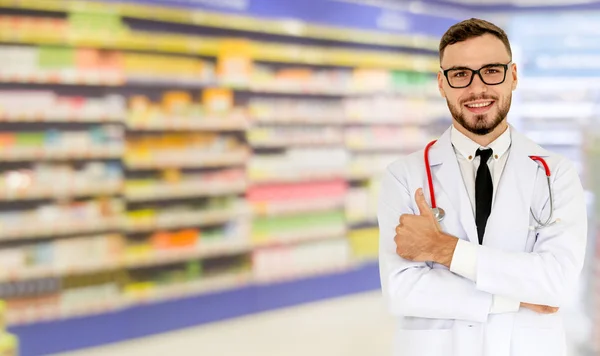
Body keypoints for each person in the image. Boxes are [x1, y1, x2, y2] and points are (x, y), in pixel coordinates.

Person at [377, 18, 587, 356]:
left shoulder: (555, 175)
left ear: (514, 75)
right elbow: (403, 290)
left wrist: (442, 249)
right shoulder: (404, 176)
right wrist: (516, 295)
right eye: (460, 74)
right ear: (442, 84)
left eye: (491, 71)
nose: (477, 89)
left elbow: (557, 284)